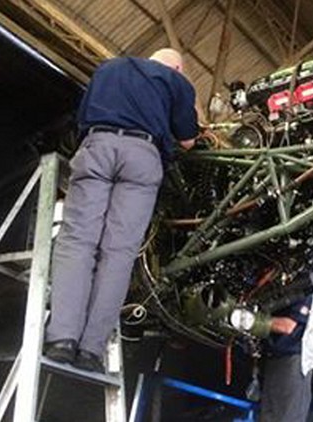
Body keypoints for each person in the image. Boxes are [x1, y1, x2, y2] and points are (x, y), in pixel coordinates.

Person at [43, 48, 198, 372]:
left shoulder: (108, 69)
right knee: (118, 254)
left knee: (77, 242)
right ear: (178, 67)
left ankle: (62, 339)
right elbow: (188, 141)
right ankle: (90, 350)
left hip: (98, 146)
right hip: (142, 158)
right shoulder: (176, 81)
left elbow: (82, 116)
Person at [259, 295, 313, 422]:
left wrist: (252, 321)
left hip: (293, 361)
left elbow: (288, 326)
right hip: (274, 359)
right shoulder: (277, 292)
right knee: (268, 415)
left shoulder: (304, 291)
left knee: (287, 416)